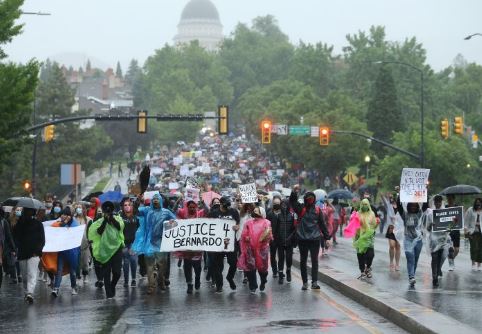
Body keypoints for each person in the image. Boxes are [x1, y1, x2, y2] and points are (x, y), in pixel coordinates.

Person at [132, 193, 175, 294]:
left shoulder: (166, 212)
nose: (155, 201)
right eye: (154, 199)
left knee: (162, 264)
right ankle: (151, 285)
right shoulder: (147, 210)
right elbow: (135, 212)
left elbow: (175, 221)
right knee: (150, 265)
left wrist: (172, 222)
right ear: (151, 201)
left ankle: (161, 280)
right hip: (149, 242)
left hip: (161, 242)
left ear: (160, 201)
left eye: (157, 199)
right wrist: (136, 203)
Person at [289, 188, 330, 290]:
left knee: (314, 261)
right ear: (305, 199)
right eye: (309, 198)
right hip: (303, 239)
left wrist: (327, 238)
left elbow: (322, 224)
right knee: (304, 261)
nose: (310, 200)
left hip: (314, 239)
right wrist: (294, 192)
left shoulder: (317, 210)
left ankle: (314, 282)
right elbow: (293, 202)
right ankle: (305, 282)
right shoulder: (300, 208)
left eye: (312, 198)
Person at [88, 201, 125, 299]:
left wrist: (111, 218)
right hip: (104, 250)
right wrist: (105, 220)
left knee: (117, 272)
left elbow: (119, 227)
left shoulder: (118, 218)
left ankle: (113, 285)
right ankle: (109, 294)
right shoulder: (99, 221)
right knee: (106, 272)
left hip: (117, 248)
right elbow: (99, 232)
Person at [207, 196, 240, 293]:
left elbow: (238, 223)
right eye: (225, 205)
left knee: (233, 263)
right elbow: (208, 225)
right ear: (221, 204)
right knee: (217, 265)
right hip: (218, 244)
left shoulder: (233, 212)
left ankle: (230, 278)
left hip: (230, 243)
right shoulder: (214, 213)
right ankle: (219, 285)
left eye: (228, 205)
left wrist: (237, 227)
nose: (227, 208)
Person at [13, 207, 45, 304]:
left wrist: (38, 251)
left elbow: (42, 239)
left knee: (32, 274)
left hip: (34, 254)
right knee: (24, 276)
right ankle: (26, 292)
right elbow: (15, 237)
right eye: (26, 211)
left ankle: (30, 293)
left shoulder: (38, 224)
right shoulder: (19, 224)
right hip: (22, 253)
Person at [238, 206, 272, 294]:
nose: (255, 212)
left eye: (257, 211)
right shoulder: (248, 222)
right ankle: (253, 286)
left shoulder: (267, 222)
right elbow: (243, 234)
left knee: (262, 268)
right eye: (254, 211)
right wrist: (246, 237)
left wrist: (265, 237)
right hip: (250, 248)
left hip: (262, 249)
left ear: (262, 213)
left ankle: (263, 280)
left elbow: (269, 235)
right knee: (250, 267)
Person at [175, 200, 206, 294]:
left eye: (194, 207)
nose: (192, 208)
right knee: (187, 267)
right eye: (190, 207)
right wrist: (177, 201)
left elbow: (208, 211)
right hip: (187, 247)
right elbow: (174, 210)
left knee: (197, 267)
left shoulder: (199, 214)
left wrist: (204, 203)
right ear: (187, 207)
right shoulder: (183, 215)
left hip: (197, 248)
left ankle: (197, 279)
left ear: (196, 207)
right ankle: (189, 284)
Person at [51, 207, 81, 297]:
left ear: (69, 216)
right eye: (62, 214)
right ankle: (56, 288)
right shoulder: (60, 224)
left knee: (72, 271)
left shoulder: (75, 224)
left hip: (73, 252)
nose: (62, 216)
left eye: (65, 214)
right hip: (62, 251)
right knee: (59, 270)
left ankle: (74, 287)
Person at [267, 195, 296, 284]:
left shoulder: (292, 216)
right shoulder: (277, 216)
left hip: (289, 242)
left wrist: (291, 238)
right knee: (280, 258)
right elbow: (275, 229)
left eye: (285, 205)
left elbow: (294, 229)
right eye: (282, 205)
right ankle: (279, 274)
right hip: (279, 241)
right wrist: (273, 238)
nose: (283, 207)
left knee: (289, 258)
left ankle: (288, 271)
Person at [424, 195, 451, 287]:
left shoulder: (446, 213)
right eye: (436, 202)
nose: (438, 203)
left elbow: (451, 226)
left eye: (439, 202)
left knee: (442, 257)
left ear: (442, 202)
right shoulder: (430, 214)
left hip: (443, 239)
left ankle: (438, 269)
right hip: (434, 240)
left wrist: (449, 228)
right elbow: (427, 228)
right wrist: (431, 225)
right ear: (434, 203)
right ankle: (434, 277)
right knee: (434, 258)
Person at [397, 198, 424, 287]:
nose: (413, 207)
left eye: (414, 206)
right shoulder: (405, 215)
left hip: (418, 239)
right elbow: (399, 206)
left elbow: (426, 205)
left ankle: (412, 275)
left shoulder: (419, 214)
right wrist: (400, 195)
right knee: (410, 257)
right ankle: (411, 277)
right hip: (408, 239)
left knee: (415, 259)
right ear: (408, 206)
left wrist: (425, 191)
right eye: (411, 205)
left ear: (417, 207)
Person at [120, 198, 139, 287]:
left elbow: (140, 229)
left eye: (129, 205)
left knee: (133, 260)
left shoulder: (136, 216)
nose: (127, 207)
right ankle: (126, 280)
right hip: (123, 243)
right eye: (125, 205)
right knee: (126, 261)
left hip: (133, 243)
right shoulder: (119, 217)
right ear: (123, 207)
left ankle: (134, 279)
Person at [74, 203, 92, 284]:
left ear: (83, 209)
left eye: (80, 207)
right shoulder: (73, 219)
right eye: (77, 207)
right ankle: (77, 276)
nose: (78, 209)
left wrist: (90, 240)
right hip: (75, 244)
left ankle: (85, 276)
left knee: (85, 262)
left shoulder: (88, 220)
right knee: (76, 262)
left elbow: (91, 231)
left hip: (85, 244)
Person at [383, 194, 401, 271]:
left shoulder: (401, 207)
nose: (392, 199)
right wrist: (383, 195)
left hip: (399, 228)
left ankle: (397, 264)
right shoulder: (389, 205)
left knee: (398, 246)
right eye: (391, 198)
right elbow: (384, 199)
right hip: (391, 228)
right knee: (391, 245)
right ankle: (391, 263)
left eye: (394, 198)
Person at [465, 198, 482, 271]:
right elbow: (466, 221)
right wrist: (466, 230)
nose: (478, 204)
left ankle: (479, 264)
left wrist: (479, 224)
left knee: (480, 249)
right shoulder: (470, 210)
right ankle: (473, 264)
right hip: (472, 232)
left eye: (480, 203)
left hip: (480, 232)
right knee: (474, 248)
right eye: (477, 203)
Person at [446, 194, 460, 271]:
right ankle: (451, 264)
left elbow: (460, 218)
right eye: (448, 198)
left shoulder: (457, 207)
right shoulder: (445, 207)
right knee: (450, 249)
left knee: (457, 250)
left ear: (453, 199)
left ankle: (451, 259)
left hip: (456, 230)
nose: (449, 200)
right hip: (448, 231)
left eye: (451, 198)